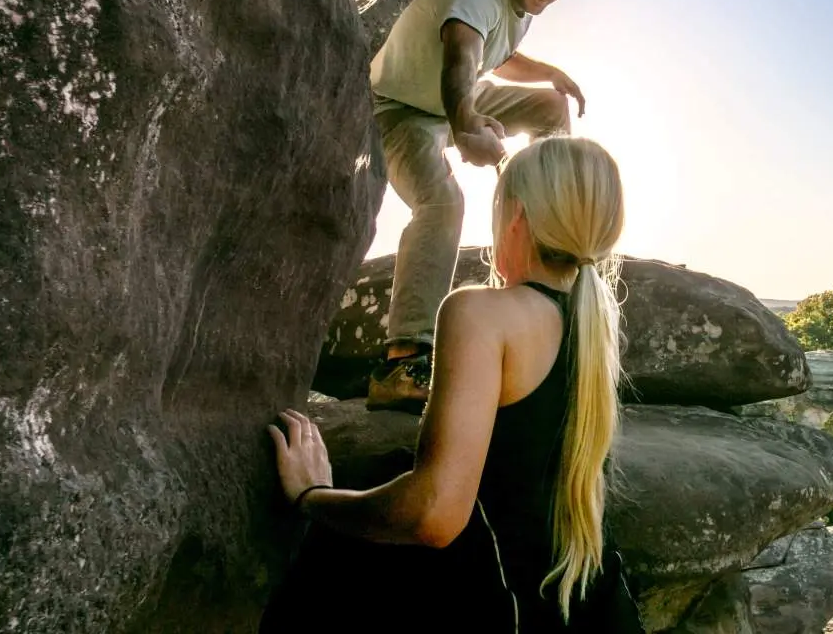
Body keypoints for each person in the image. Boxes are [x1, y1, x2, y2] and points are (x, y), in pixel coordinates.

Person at [264, 135, 643, 633]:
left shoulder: (481, 313)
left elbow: (435, 514)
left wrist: (312, 496)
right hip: (596, 613)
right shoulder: (593, 332)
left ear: (517, 217)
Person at [365, 0, 592, 412]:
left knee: (550, 108)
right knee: (443, 203)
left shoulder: (518, 4)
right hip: (401, 110)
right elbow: (462, 57)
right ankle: (402, 361)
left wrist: (550, 74)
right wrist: (467, 127)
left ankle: (546, 235)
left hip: (453, 100)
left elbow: (497, 54)